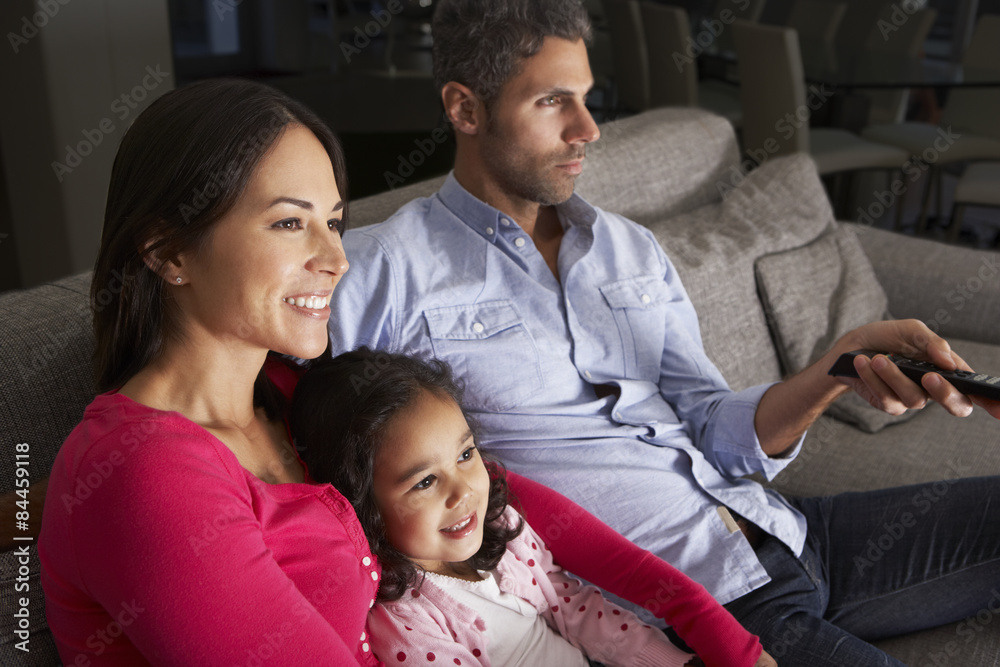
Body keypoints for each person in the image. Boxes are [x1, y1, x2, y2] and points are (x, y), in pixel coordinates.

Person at [325, 0, 1000, 664]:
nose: (588, 128)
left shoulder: (627, 246)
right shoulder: (386, 269)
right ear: (465, 109)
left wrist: (836, 366)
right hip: (689, 604)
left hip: (781, 527)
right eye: (553, 102)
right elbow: (299, 436)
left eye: (589, 98)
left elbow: (712, 422)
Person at [37, 77, 771, 666]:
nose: (335, 257)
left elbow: (521, 512)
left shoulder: (294, 399)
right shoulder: (148, 472)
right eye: (289, 222)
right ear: (167, 251)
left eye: (333, 220)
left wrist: (722, 639)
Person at [291, 347, 776, 666]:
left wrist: (673, 663)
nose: (463, 492)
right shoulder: (404, 619)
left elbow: (568, 603)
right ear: (364, 506)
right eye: (424, 482)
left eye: (465, 455)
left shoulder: (500, 524)